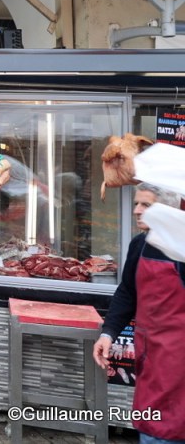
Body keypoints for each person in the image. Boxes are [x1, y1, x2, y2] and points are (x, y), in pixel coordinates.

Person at [93, 183, 185, 444]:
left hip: (179, 360)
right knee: (152, 427)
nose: (136, 210)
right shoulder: (140, 245)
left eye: (145, 204)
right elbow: (127, 293)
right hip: (151, 356)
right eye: (136, 203)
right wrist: (108, 333)